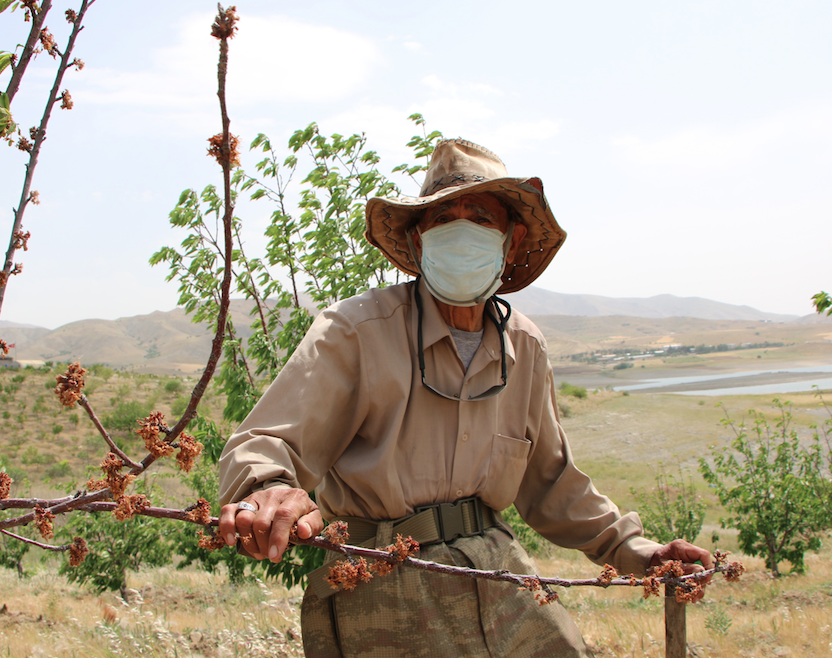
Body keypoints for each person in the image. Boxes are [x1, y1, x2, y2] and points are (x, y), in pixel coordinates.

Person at [217, 138, 712, 657]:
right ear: (417, 242)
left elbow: (552, 483)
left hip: (498, 570)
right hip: (385, 574)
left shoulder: (524, 344)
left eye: (479, 216)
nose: (460, 230)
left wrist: (638, 552)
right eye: (440, 218)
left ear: (512, 241)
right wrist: (269, 488)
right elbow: (269, 439)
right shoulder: (357, 330)